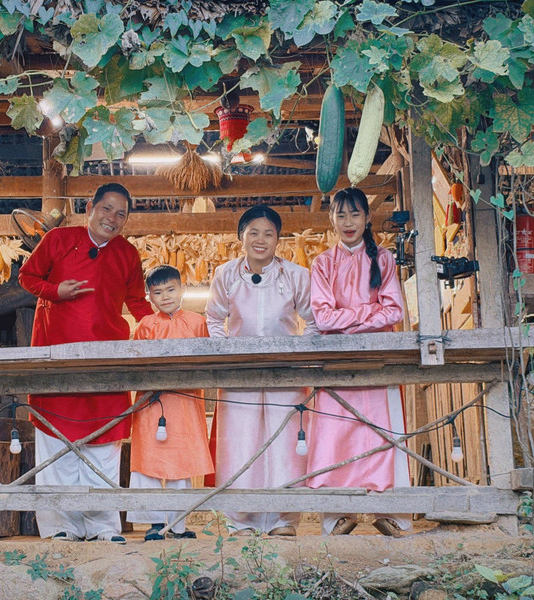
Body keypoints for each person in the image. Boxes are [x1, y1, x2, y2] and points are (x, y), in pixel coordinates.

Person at [18, 182, 153, 543]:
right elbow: (27, 277)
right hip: (56, 357)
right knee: (56, 443)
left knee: (104, 446)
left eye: (121, 214)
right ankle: (60, 526)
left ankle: (102, 526)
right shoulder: (58, 240)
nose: (113, 218)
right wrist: (55, 291)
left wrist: (164, 325)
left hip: (106, 359)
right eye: (107, 209)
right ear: (90, 208)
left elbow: (137, 302)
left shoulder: (127, 254)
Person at [205, 205, 317, 536]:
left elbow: (313, 321)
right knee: (241, 443)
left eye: (269, 233)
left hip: (287, 372)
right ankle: (241, 520)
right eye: (253, 232)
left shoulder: (296, 275)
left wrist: (298, 357)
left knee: (285, 442)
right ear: (241, 236)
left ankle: (284, 519)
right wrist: (227, 355)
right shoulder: (226, 274)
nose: (260, 239)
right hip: (240, 373)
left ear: (278, 239)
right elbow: (214, 319)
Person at [306, 187, 411, 537]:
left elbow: (394, 311)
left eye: (355, 214)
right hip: (336, 362)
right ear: (331, 219)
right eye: (341, 214)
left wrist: (347, 319)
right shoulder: (322, 263)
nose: (348, 222)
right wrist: (369, 313)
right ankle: (337, 515)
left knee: (383, 430)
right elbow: (322, 318)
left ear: (367, 218)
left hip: (378, 359)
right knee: (334, 432)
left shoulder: (384, 259)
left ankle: (393, 513)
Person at [127, 265, 214, 541]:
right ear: (149, 296)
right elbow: (137, 363)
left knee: (181, 461)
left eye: (170, 289)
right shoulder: (145, 325)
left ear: (182, 289)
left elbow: (207, 361)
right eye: (157, 292)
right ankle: (154, 523)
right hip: (151, 404)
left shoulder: (198, 322)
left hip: (185, 403)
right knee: (149, 461)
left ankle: (177, 525)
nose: (165, 297)